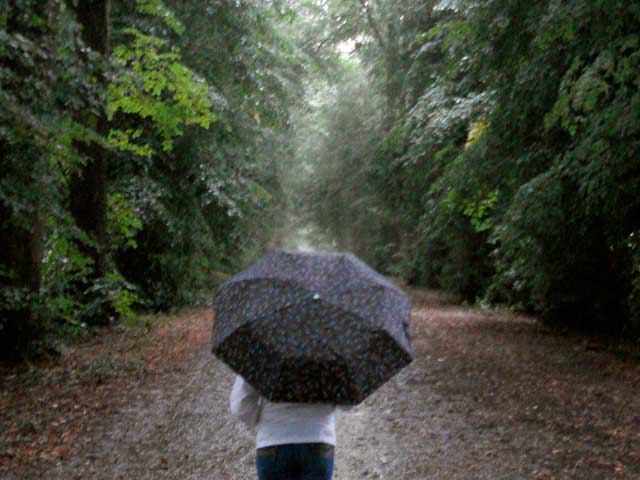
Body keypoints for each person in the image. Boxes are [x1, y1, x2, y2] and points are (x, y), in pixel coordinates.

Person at [230, 374, 347, 480]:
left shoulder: (262, 358)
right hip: (318, 440)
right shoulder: (331, 359)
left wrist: (262, 424)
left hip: (272, 441)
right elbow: (347, 403)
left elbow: (240, 405)